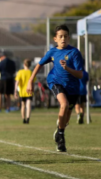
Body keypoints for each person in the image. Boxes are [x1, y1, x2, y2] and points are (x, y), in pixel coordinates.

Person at [27, 24, 88, 152]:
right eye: (60, 36)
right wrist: (30, 80)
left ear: (69, 38)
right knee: (64, 104)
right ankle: (61, 139)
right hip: (55, 82)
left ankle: (59, 130)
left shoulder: (74, 53)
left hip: (73, 87)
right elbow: (39, 65)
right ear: (55, 39)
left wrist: (67, 68)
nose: (63, 39)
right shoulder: (52, 52)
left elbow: (80, 74)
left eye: (65, 36)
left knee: (66, 119)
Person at [15, 59, 33, 124]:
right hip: (29, 91)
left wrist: (15, 91)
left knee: (23, 105)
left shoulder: (20, 72)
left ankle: (23, 119)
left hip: (22, 92)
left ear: (24, 64)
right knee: (28, 105)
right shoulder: (31, 72)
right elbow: (32, 82)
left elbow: (17, 82)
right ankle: (28, 118)